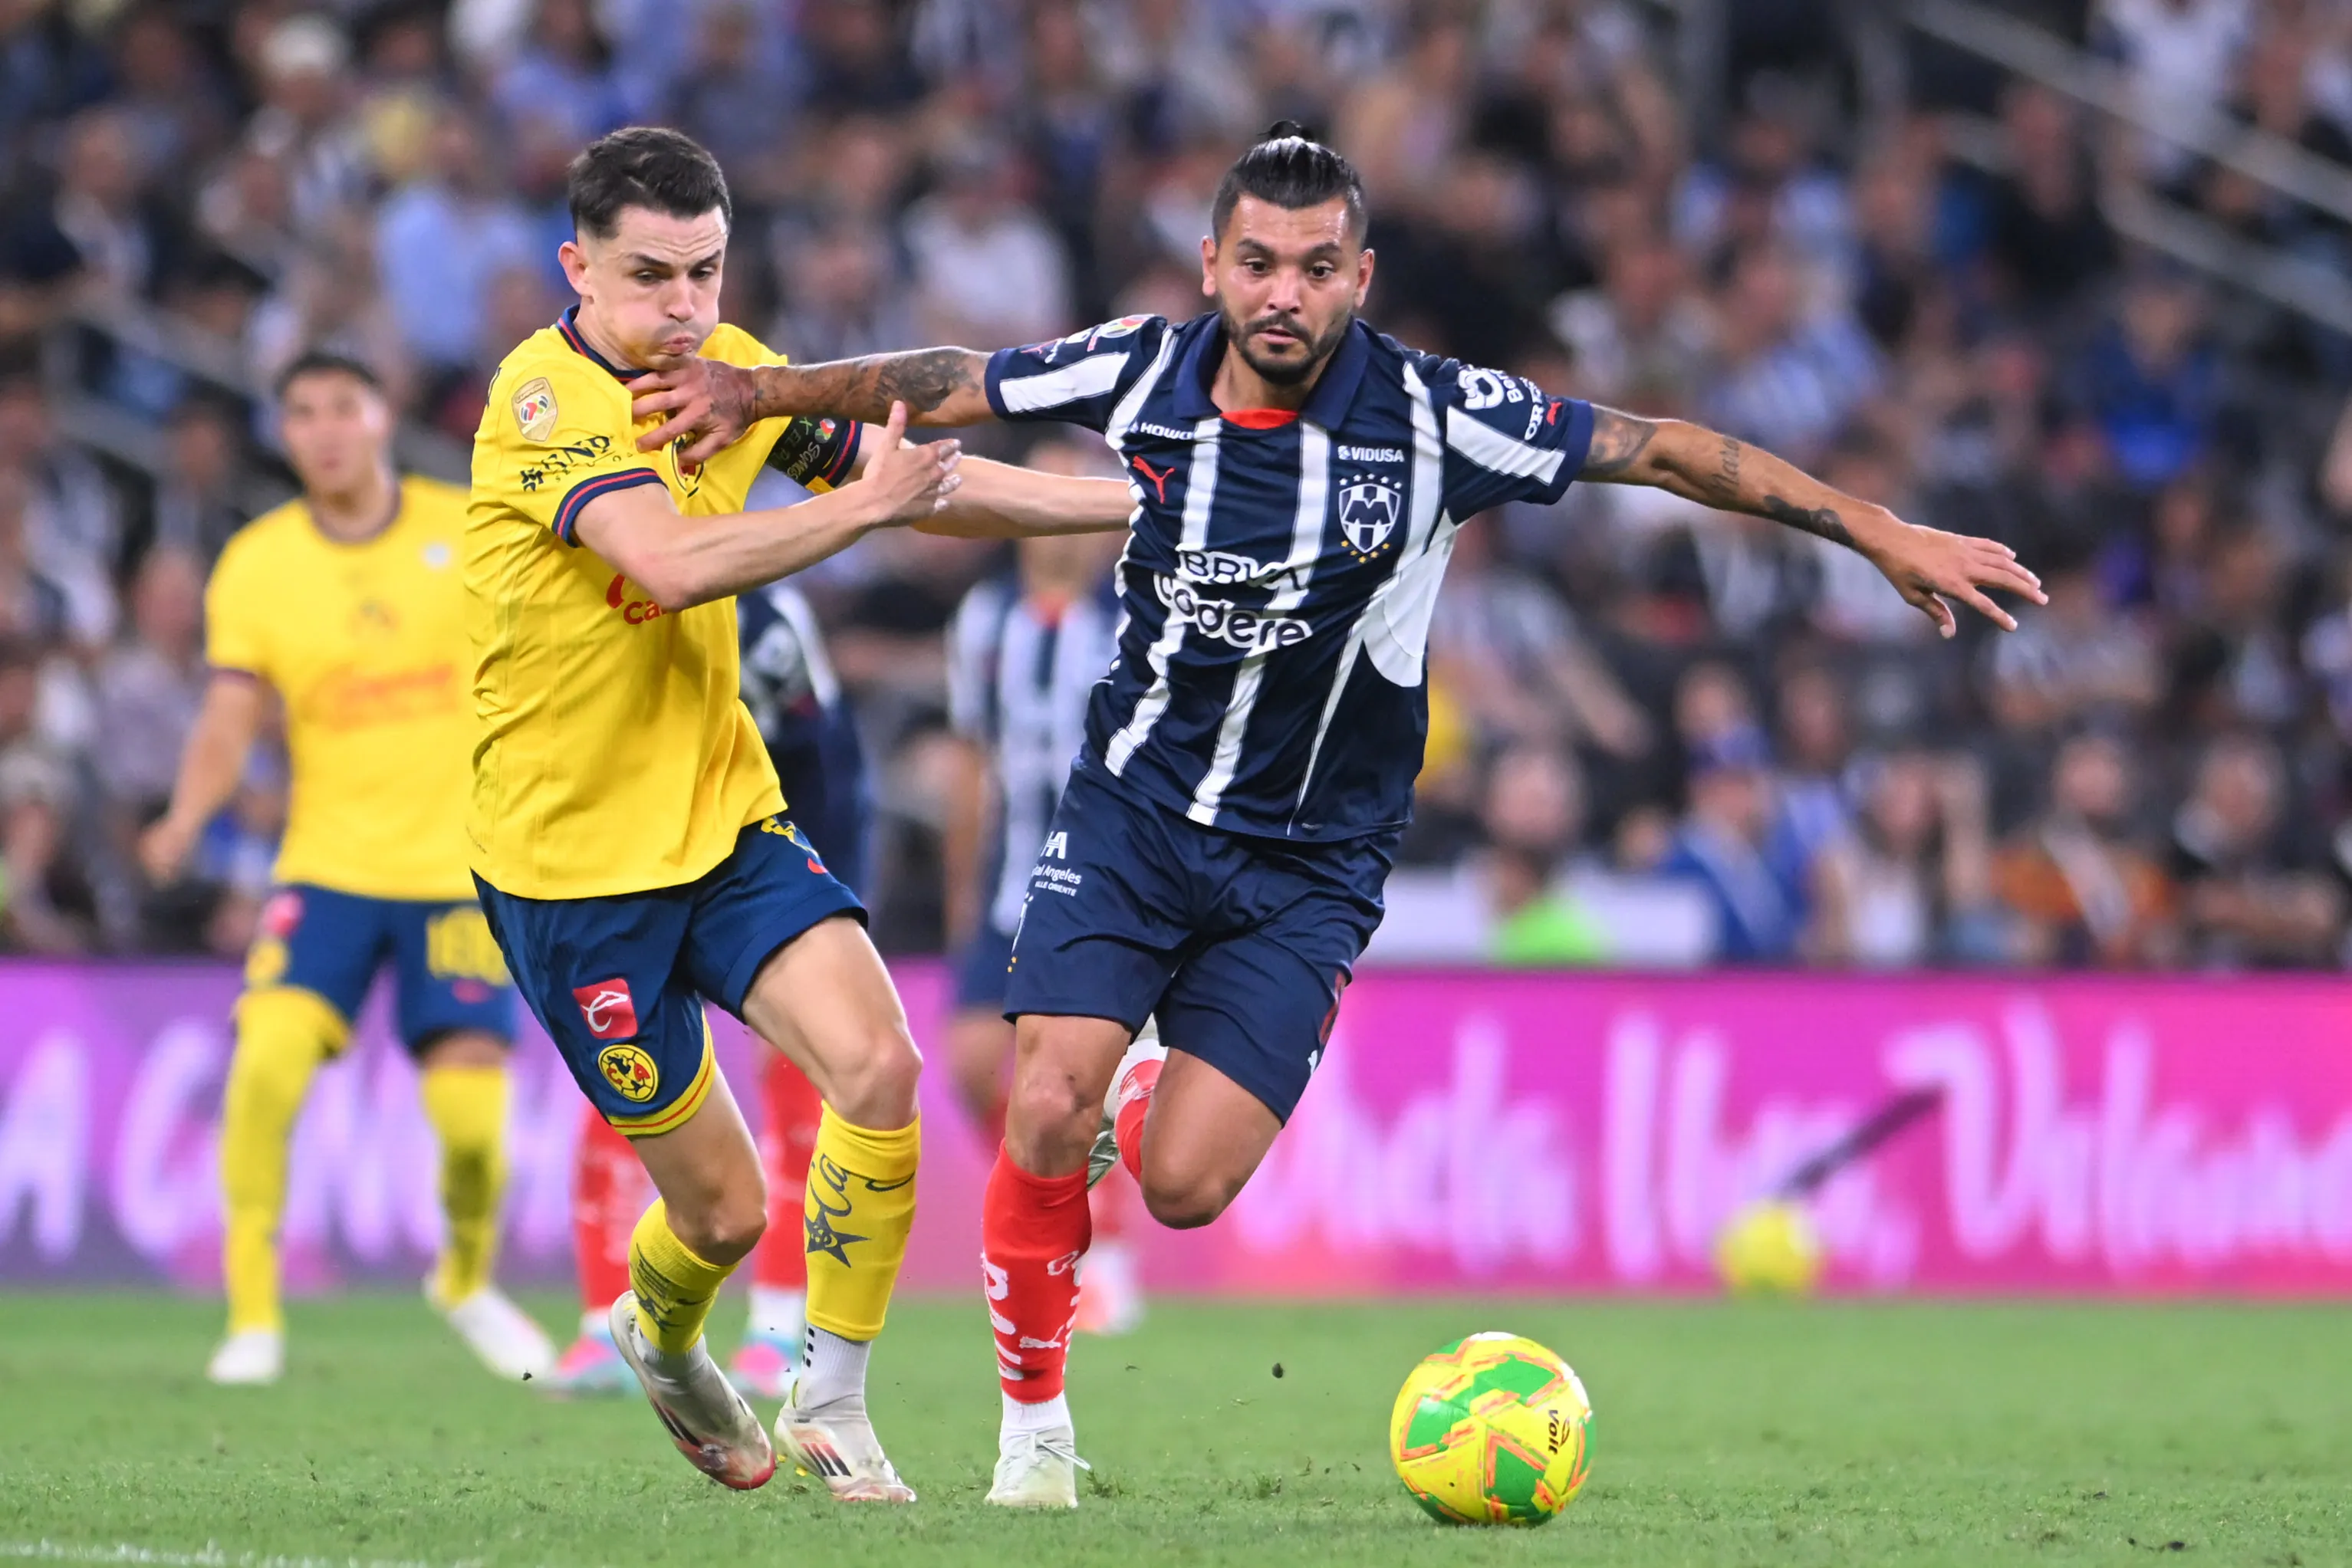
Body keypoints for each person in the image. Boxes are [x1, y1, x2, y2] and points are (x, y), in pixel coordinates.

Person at [626, 123, 2044, 1509]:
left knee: (1180, 1187)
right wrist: (758, 395)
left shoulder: (1438, 418)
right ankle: (1035, 1440)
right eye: (1258, 263)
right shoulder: (1138, 370)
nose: (1283, 293)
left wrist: (1875, 528)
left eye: (1315, 266)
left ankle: (1144, 1093)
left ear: (1359, 278)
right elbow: (952, 383)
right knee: (1042, 1097)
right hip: (1133, 808)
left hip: (1311, 860)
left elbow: (1659, 448)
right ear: (1211, 267)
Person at [464, 127, 1129, 1499]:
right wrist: (868, 512)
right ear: (574, 265)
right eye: (650, 276)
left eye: (706, 272)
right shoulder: (543, 402)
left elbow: (923, 486)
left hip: (722, 819)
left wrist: (1137, 505)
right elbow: (669, 559)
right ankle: (655, 1326)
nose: (686, 309)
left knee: (878, 1070)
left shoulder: (727, 369)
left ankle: (831, 1400)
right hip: (571, 870)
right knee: (720, 1210)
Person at [139, 352, 551, 1389]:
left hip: (459, 873)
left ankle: (463, 1281)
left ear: (382, 416)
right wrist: (187, 816)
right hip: (324, 869)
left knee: (471, 1137)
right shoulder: (258, 563)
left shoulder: (462, 528)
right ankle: (252, 1316)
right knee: (265, 1072)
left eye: (343, 408)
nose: (324, 430)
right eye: (302, 413)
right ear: (283, 434)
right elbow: (231, 715)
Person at [551, 579, 871, 1399]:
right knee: (624, 1084)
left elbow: (827, 757)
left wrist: (821, 904)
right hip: (635, 873)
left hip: (753, 874)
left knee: (796, 1085)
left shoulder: (767, 616)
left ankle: (776, 1323)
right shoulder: (580, 591)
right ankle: (600, 1327)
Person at [939, 475, 1141, 1334]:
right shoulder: (984, 620)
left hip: (1100, 873)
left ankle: (1104, 1252)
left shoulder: (1130, 613)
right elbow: (971, 753)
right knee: (968, 1058)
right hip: (1007, 872)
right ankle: (1044, 1221)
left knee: (1072, 1071)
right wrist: (960, 883)